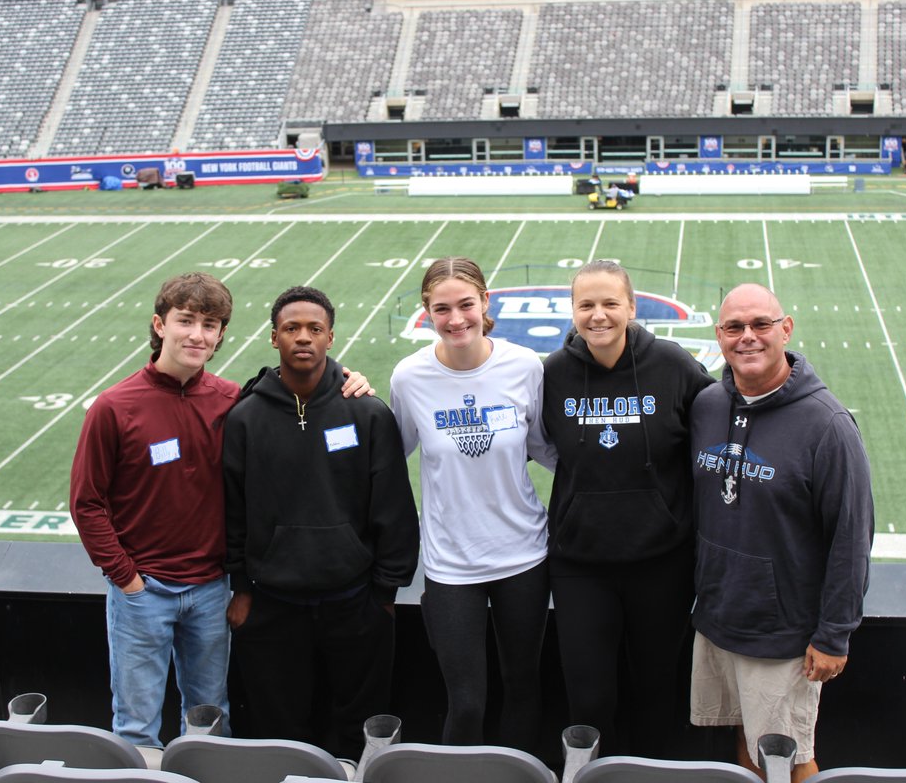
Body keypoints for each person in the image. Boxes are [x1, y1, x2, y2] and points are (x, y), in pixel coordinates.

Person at [70, 272, 371, 747]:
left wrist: (347, 379)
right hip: (143, 591)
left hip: (211, 591)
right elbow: (87, 503)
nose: (197, 334)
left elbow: (299, 387)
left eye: (210, 324)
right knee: (135, 726)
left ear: (221, 334)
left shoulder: (233, 399)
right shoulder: (115, 407)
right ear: (159, 324)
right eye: (186, 321)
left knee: (211, 722)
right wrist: (126, 577)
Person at [222, 285, 419, 759]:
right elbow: (232, 510)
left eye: (315, 328)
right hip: (273, 605)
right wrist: (242, 588)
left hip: (354, 601)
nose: (303, 337)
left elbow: (392, 505)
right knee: (281, 728)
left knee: (361, 728)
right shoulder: (246, 418)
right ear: (274, 338)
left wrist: (385, 595)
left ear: (331, 337)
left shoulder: (366, 412)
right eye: (292, 328)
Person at [688, 283, 874, 782]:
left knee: (788, 753)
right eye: (734, 327)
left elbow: (851, 537)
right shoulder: (707, 405)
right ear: (719, 336)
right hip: (721, 617)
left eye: (760, 324)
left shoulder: (827, 424)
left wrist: (835, 634)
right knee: (748, 742)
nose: (747, 337)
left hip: (784, 632)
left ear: (785, 329)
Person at [540, 260, 713, 757]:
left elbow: (718, 426)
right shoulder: (551, 374)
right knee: (589, 697)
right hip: (580, 564)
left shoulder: (674, 365)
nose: (598, 315)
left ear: (632, 308)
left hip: (662, 562)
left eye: (610, 303)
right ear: (572, 311)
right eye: (586, 305)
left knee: (657, 691)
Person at [389, 257, 555, 752]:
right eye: (442, 309)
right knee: (465, 701)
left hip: (523, 554)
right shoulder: (409, 377)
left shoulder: (524, 366)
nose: (456, 318)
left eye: (466, 304)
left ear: (486, 302)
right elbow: (389, 457)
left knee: (523, 687)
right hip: (450, 564)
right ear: (427, 313)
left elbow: (548, 448)